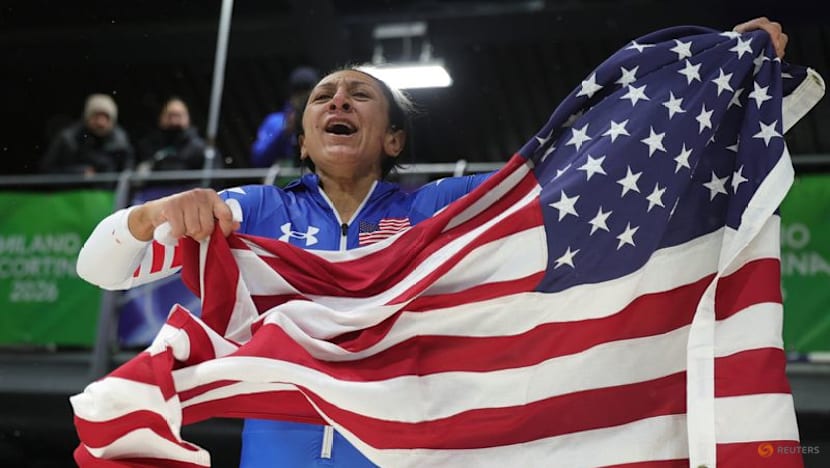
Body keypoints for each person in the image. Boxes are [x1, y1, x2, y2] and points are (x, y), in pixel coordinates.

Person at [75, 17, 788, 468]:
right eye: (325, 96)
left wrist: (726, 78)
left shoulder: (441, 211)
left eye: (358, 95)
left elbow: (571, 177)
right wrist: (154, 214)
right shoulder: (251, 212)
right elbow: (101, 267)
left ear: (392, 139)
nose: (337, 103)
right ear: (303, 136)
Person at [40, 93, 134, 175]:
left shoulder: (120, 141)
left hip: (109, 194)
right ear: (87, 117)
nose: (100, 123)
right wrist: (77, 173)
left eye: (106, 117)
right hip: (71, 193)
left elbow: (127, 173)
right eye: (96, 116)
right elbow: (47, 170)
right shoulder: (69, 139)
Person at [250, 65, 320, 168]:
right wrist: (285, 131)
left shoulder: (324, 119)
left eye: (308, 93)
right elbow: (258, 159)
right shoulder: (275, 121)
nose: (303, 99)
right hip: (284, 180)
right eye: (298, 93)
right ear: (291, 95)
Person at [135, 97, 209, 172]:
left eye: (178, 115)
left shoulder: (199, 148)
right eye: (170, 115)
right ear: (161, 117)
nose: (174, 121)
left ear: (187, 118)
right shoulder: (148, 145)